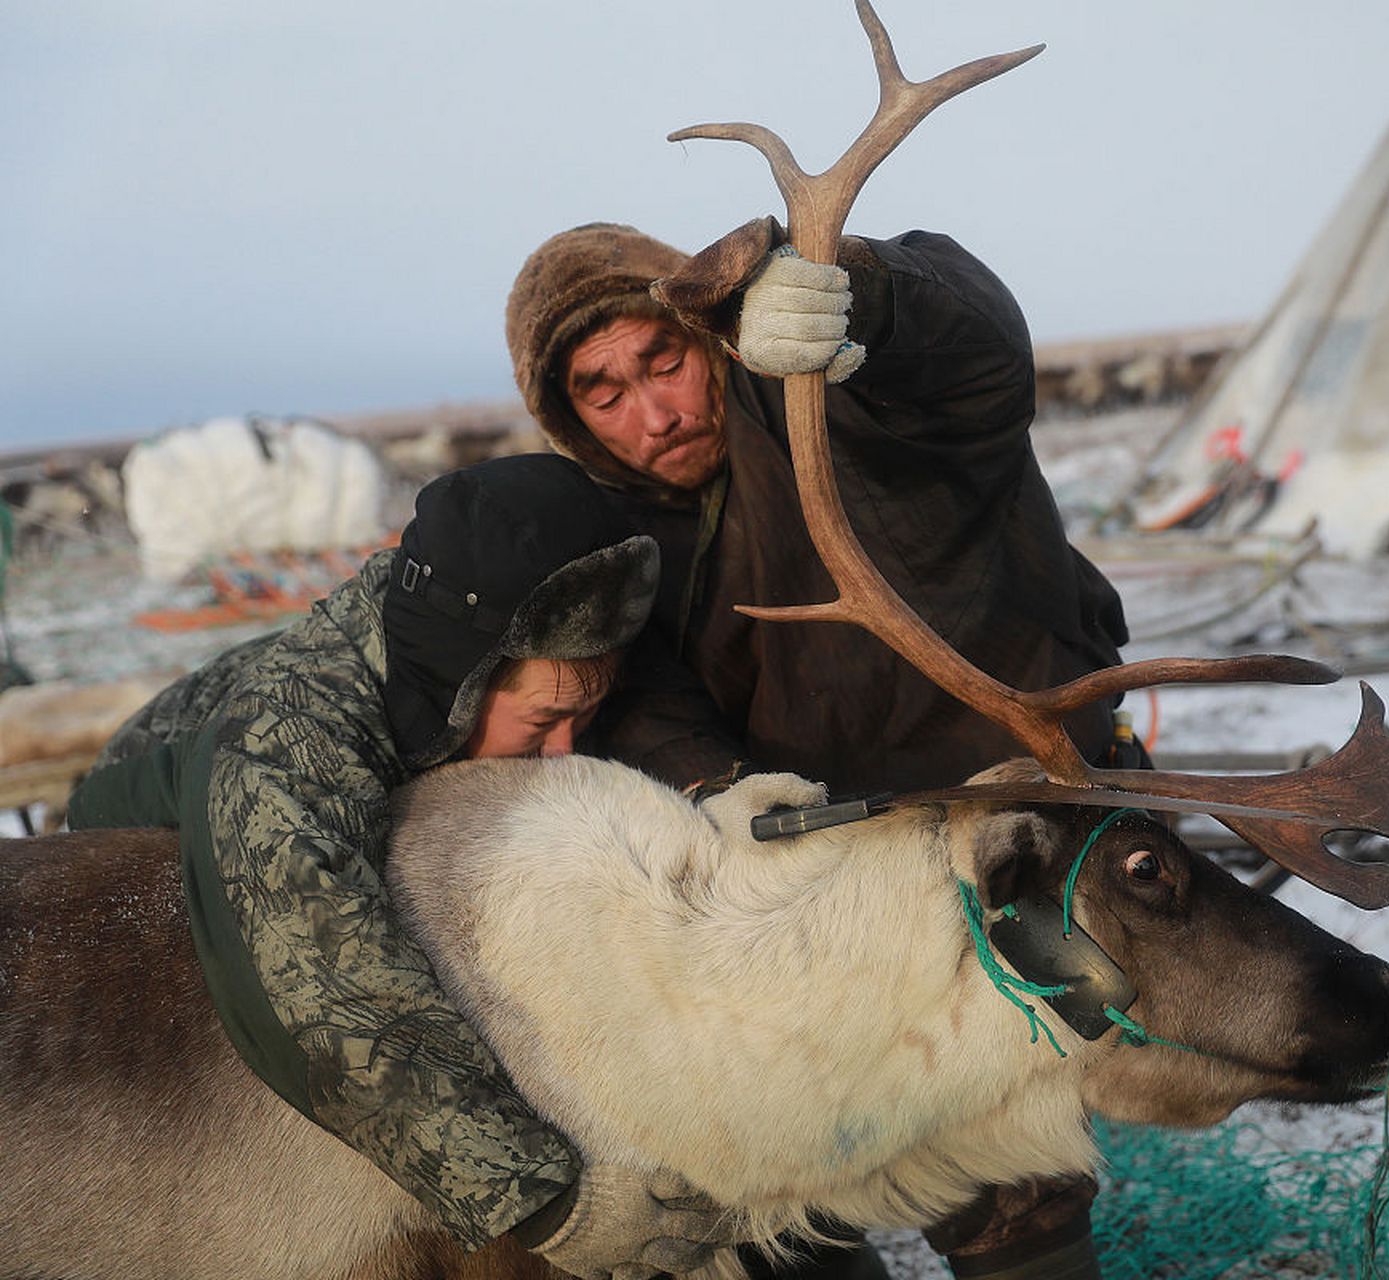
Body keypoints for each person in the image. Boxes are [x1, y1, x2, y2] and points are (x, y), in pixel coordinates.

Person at [505, 218, 1133, 1280]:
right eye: (604, 392)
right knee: (787, 1164)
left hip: (1006, 811)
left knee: (1010, 1162)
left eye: (664, 360)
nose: (654, 412)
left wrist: (860, 296)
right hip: (818, 866)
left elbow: (979, 359)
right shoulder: (611, 536)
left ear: (707, 336)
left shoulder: (838, 404)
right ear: (569, 418)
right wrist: (714, 784)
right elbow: (642, 689)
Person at [67, 453, 738, 1278]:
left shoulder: (522, 636)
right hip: (146, 844)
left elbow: (635, 698)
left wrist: (724, 798)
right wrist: (544, 1200)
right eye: (546, 721)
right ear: (462, 680)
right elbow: (319, 981)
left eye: (585, 715)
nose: (568, 750)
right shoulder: (292, 739)